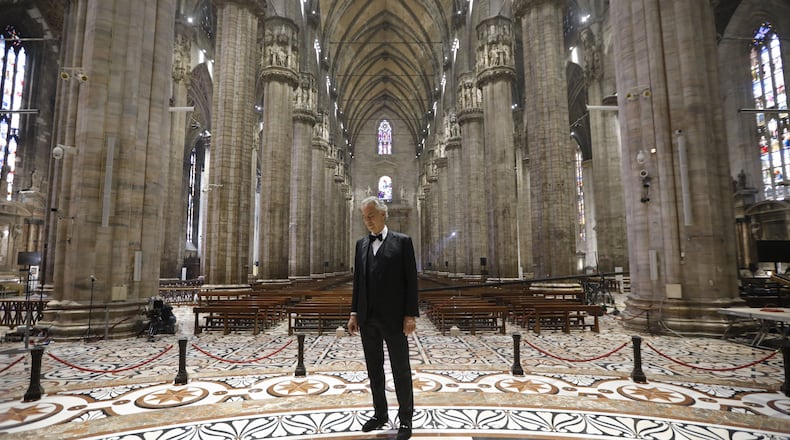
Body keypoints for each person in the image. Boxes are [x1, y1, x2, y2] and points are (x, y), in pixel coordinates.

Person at [347, 196, 419, 440]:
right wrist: (354, 313)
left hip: (394, 318)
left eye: (371, 216)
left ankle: (406, 419)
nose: (367, 221)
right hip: (368, 319)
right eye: (364, 217)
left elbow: (411, 281)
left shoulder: (403, 242)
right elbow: (358, 282)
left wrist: (410, 314)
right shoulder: (361, 245)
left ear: (383, 215)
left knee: (401, 369)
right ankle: (380, 414)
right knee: (374, 369)